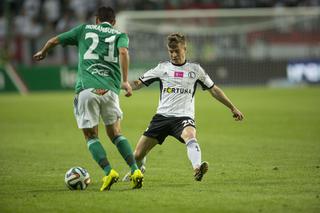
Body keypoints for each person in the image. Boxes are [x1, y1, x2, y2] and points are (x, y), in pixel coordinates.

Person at [33, 6, 143, 190]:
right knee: (116, 133)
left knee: (91, 135)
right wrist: (125, 81)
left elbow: (53, 40)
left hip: (87, 89)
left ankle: (109, 172)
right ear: (114, 22)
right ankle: (135, 170)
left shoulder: (84, 29)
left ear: (97, 20)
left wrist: (43, 52)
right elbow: (123, 52)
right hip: (110, 91)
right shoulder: (120, 35)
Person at [123, 33, 244, 182]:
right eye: (170, 51)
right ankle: (139, 169)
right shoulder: (162, 68)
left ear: (185, 48)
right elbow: (138, 83)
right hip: (161, 117)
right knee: (137, 155)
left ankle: (197, 168)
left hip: (183, 117)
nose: (173, 54)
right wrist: (124, 85)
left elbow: (214, 89)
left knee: (190, 136)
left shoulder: (195, 70)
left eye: (177, 51)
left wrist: (232, 107)